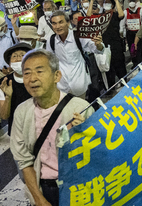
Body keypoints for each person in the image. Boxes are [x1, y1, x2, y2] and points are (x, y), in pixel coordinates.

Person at [10, 50, 93, 206]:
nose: (32, 79)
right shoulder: (22, 112)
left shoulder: (80, 108)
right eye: (27, 73)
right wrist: (39, 199)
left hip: (79, 187)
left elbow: (99, 153)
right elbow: (23, 161)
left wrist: (85, 133)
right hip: (45, 188)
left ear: (57, 76)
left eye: (39, 71)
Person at [46, 11, 105, 98]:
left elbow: (97, 49)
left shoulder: (78, 36)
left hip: (79, 86)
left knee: (80, 110)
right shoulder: (51, 41)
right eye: (54, 23)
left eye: (61, 22)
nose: (58, 26)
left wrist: (98, 44)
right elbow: (50, 61)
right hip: (62, 87)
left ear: (68, 23)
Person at [0, 42, 33, 135]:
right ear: (10, 63)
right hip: (17, 132)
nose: (18, 58)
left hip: (38, 130)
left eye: (22, 55)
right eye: (14, 56)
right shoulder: (3, 84)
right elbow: (3, 115)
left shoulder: (38, 79)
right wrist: (8, 97)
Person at [101, 0, 126, 86]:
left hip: (116, 44)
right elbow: (89, 16)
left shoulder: (115, 15)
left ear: (112, 5)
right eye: (104, 2)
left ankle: (124, 82)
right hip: (104, 45)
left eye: (108, 3)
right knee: (108, 67)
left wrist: (116, 0)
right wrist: (92, 0)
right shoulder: (101, 17)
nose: (105, 4)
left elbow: (121, 14)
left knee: (119, 64)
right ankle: (110, 87)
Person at [120, 0, 142, 66]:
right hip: (130, 34)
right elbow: (122, 23)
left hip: (139, 33)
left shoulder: (141, 10)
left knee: (140, 48)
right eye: (131, 1)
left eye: (133, 1)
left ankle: (141, 62)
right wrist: (123, 33)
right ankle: (135, 63)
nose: (132, 2)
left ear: (136, 1)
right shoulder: (125, 12)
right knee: (132, 49)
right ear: (128, 2)